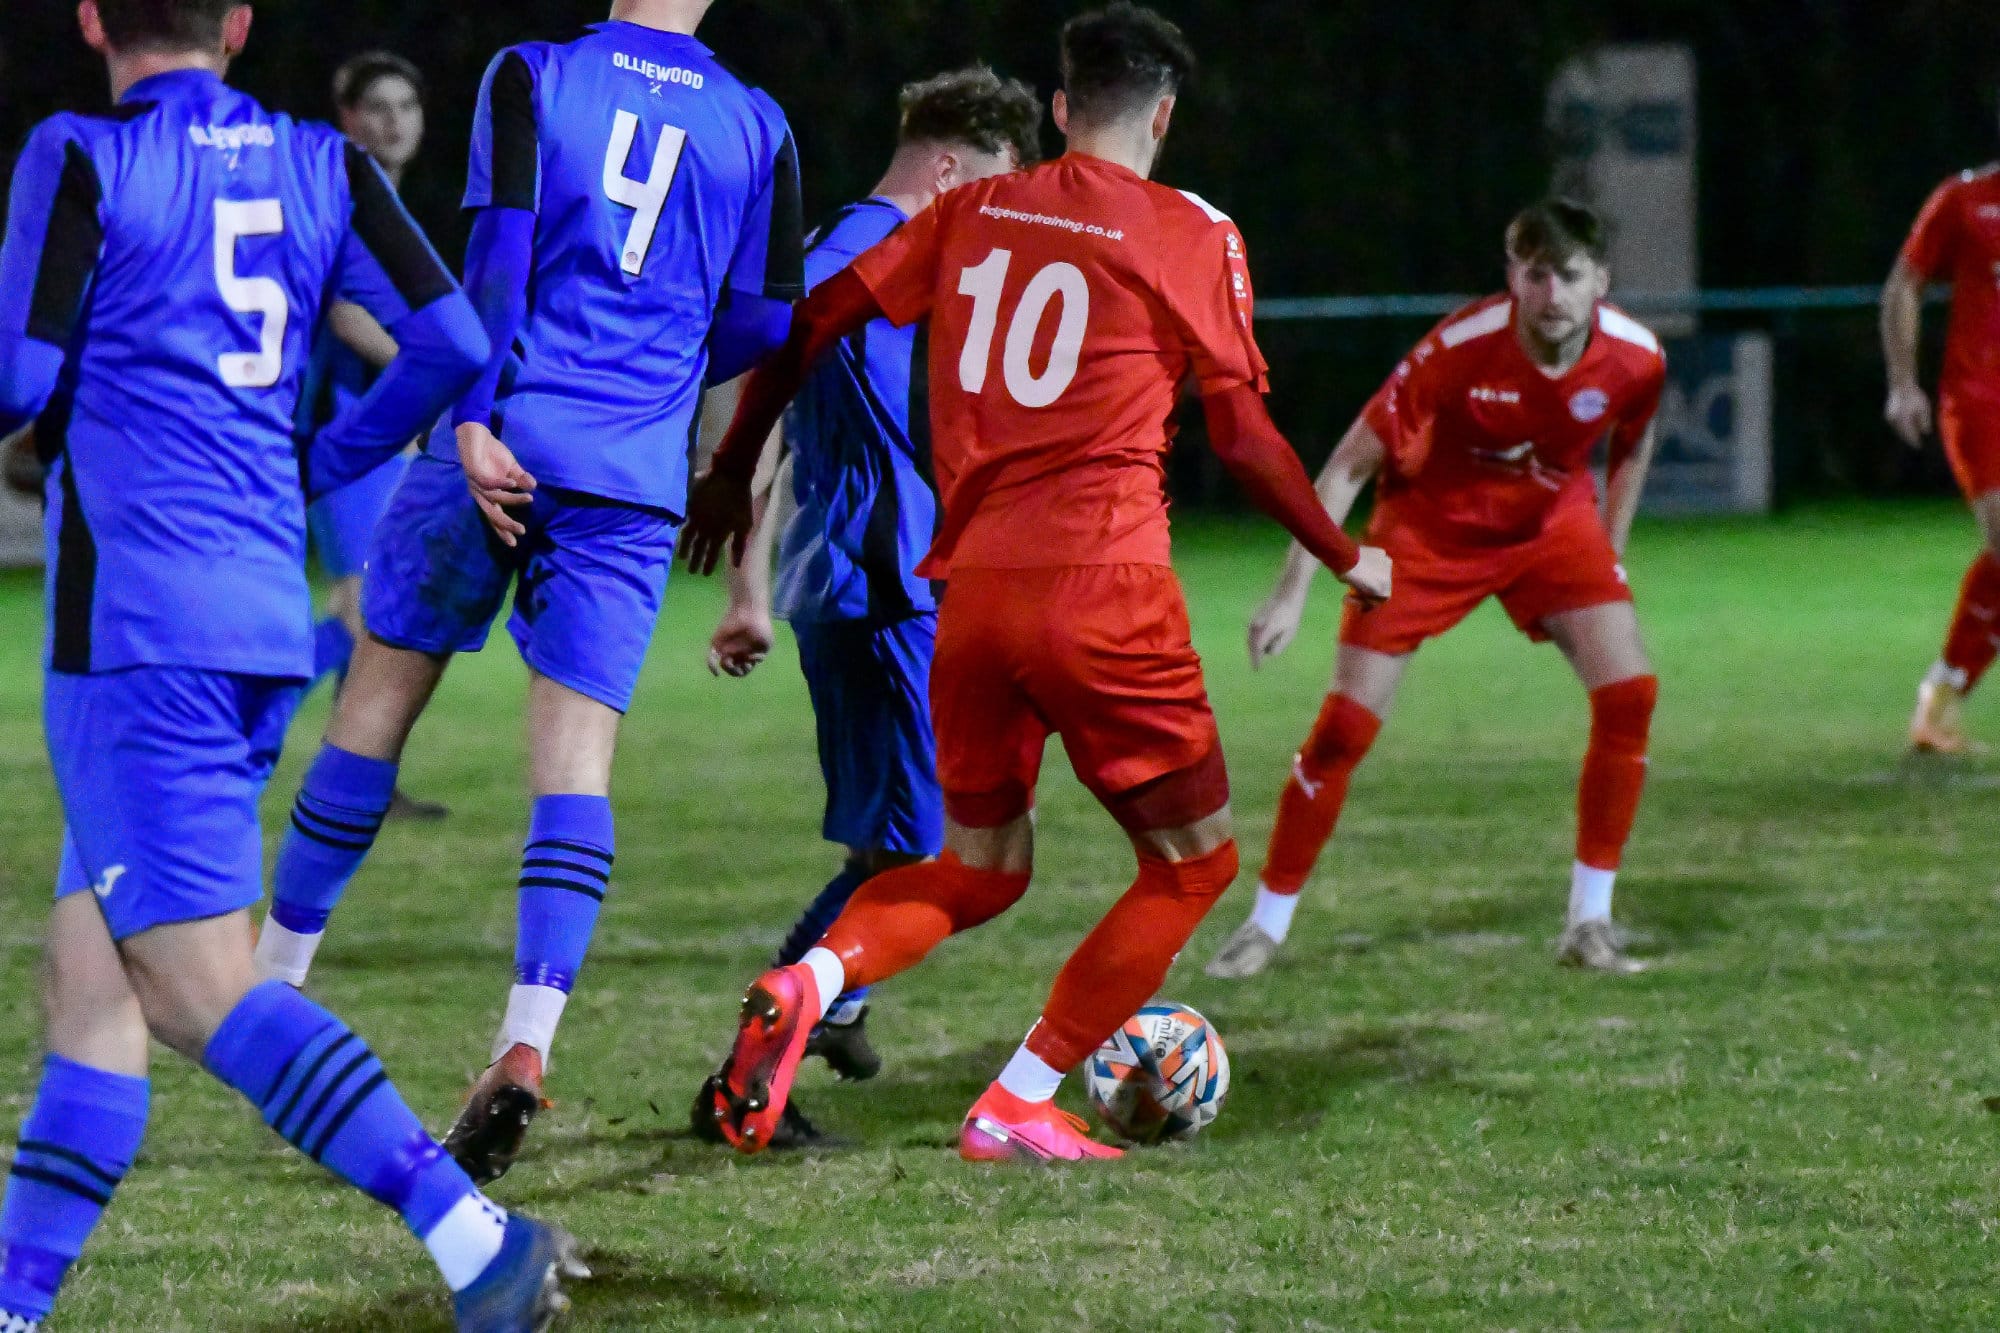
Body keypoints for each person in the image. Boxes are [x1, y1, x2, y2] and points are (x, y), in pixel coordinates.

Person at [683, 2, 1390, 1163]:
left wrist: (726, 472)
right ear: (1163, 115)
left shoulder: (968, 213)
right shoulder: (1189, 231)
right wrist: (1344, 552)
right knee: (1193, 862)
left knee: (977, 867)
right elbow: (1243, 439)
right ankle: (1015, 1096)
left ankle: (810, 980)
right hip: (1104, 588)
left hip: (970, 597)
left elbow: (809, 322)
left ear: (1060, 107)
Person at [0, 3, 581, 1328]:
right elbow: (450, 339)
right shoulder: (324, 161)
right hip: (258, 617)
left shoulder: (81, 154)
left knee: (201, 985)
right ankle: (17, 1304)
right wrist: (320, 460)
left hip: (139, 635)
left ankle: (478, 1243)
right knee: (92, 979)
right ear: (238, 25)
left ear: (92, 19)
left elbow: (19, 378)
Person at [252, 0, 804, 1187]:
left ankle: (269, 990)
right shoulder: (759, 125)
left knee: (373, 709)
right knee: (573, 765)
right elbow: (765, 317)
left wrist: (469, 417)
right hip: (628, 471)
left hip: (500, 431)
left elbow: (497, 263)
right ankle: (525, 1038)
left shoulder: (537, 74)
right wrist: (654, 350)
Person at [691, 66, 1042, 1148]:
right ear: (948, 167)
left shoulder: (867, 249)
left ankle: (833, 1007)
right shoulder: (859, 252)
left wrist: (752, 588)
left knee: (905, 839)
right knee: (928, 853)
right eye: (989, 188)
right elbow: (752, 375)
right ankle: (752, 1067)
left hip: (869, 581)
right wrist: (744, 568)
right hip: (876, 587)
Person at [1203, 199, 1666, 982]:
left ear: (1602, 281)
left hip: (1549, 529)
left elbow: (1635, 437)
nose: (1552, 293)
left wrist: (1610, 554)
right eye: (1536, 275)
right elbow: (1348, 465)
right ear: (1512, 278)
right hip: (1425, 536)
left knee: (1631, 694)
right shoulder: (1459, 349)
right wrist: (1291, 590)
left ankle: (1589, 921)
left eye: (1569, 275)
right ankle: (1265, 924)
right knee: (1343, 730)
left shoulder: (1638, 357)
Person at [301, 49, 446, 818]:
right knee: (363, 608)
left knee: (368, 608)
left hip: (380, 426)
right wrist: (426, 370)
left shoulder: (388, 201)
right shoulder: (347, 201)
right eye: (378, 108)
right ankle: (240, 702)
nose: (395, 122)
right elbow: (344, 312)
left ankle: (354, 785)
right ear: (348, 119)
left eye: (407, 107)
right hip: (346, 423)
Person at [1886, 98, 2000, 754]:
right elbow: (1904, 284)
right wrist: (1903, 383)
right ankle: (1941, 696)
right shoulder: (1963, 200)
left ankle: (1942, 692)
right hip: (1980, 398)